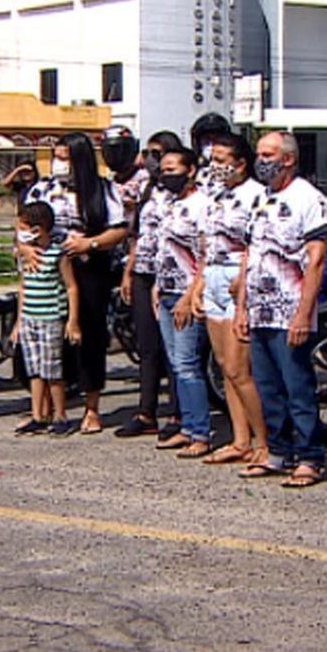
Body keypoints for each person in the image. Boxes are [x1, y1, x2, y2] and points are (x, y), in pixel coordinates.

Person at [235, 131, 327, 488]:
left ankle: (309, 456)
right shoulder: (261, 198)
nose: (262, 160)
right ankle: (278, 451)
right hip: (259, 309)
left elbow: (317, 260)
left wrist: (304, 314)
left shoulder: (309, 198)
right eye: (259, 153)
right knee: (268, 386)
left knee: (297, 386)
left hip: (290, 309)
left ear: (288, 158)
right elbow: (250, 254)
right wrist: (242, 307)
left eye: (268, 153)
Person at [20, 133, 129, 434]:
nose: (59, 164)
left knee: (88, 337)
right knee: (48, 337)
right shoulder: (42, 189)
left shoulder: (103, 190)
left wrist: (90, 244)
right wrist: (25, 248)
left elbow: (120, 231)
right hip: (47, 268)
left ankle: (92, 408)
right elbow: (22, 226)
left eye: (65, 158)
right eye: (56, 157)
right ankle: (48, 411)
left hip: (88, 268)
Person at [195, 132, 270, 468]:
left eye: (223, 161)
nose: (217, 167)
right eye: (214, 159)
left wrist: (244, 278)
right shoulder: (215, 195)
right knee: (225, 366)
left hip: (238, 279)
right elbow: (206, 242)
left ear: (241, 163)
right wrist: (198, 284)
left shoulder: (257, 195)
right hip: (213, 276)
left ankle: (263, 441)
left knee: (241, 369)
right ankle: (240, 439)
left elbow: (258, 242)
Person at [117, 131, 185, 439]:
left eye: (159, 153)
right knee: (147, 346)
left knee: (175, 349)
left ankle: (178, 412)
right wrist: (128, 273)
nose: (152, 159)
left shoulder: (183, 192)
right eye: (149, 153)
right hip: (144, 272)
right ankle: (146, 411)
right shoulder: (149, 189)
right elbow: (138, 235)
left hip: (171, 275)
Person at [150, 149, 216, 458]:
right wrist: (156, 286)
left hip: (186, 294)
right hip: (165, 291)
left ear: (190, 170)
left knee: (189, 364)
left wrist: (191, 296)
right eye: (163, 169)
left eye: (173, 168)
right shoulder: (171, 204)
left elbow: (205, 255)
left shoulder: (203, 205)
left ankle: (200, 432)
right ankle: (187, 427)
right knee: (176, 364)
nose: (166, 175)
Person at [10, 201, 81, 436]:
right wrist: (19, 322)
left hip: (51, 317)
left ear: (38, 229)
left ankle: (60, 415)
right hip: (30, 317)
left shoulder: (57, 254)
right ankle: (37, 415)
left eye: (23, 227)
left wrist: (72, 321)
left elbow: (71, 287)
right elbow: (23, 288)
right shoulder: (26, 256)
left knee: (53, 370)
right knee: (34, 370)